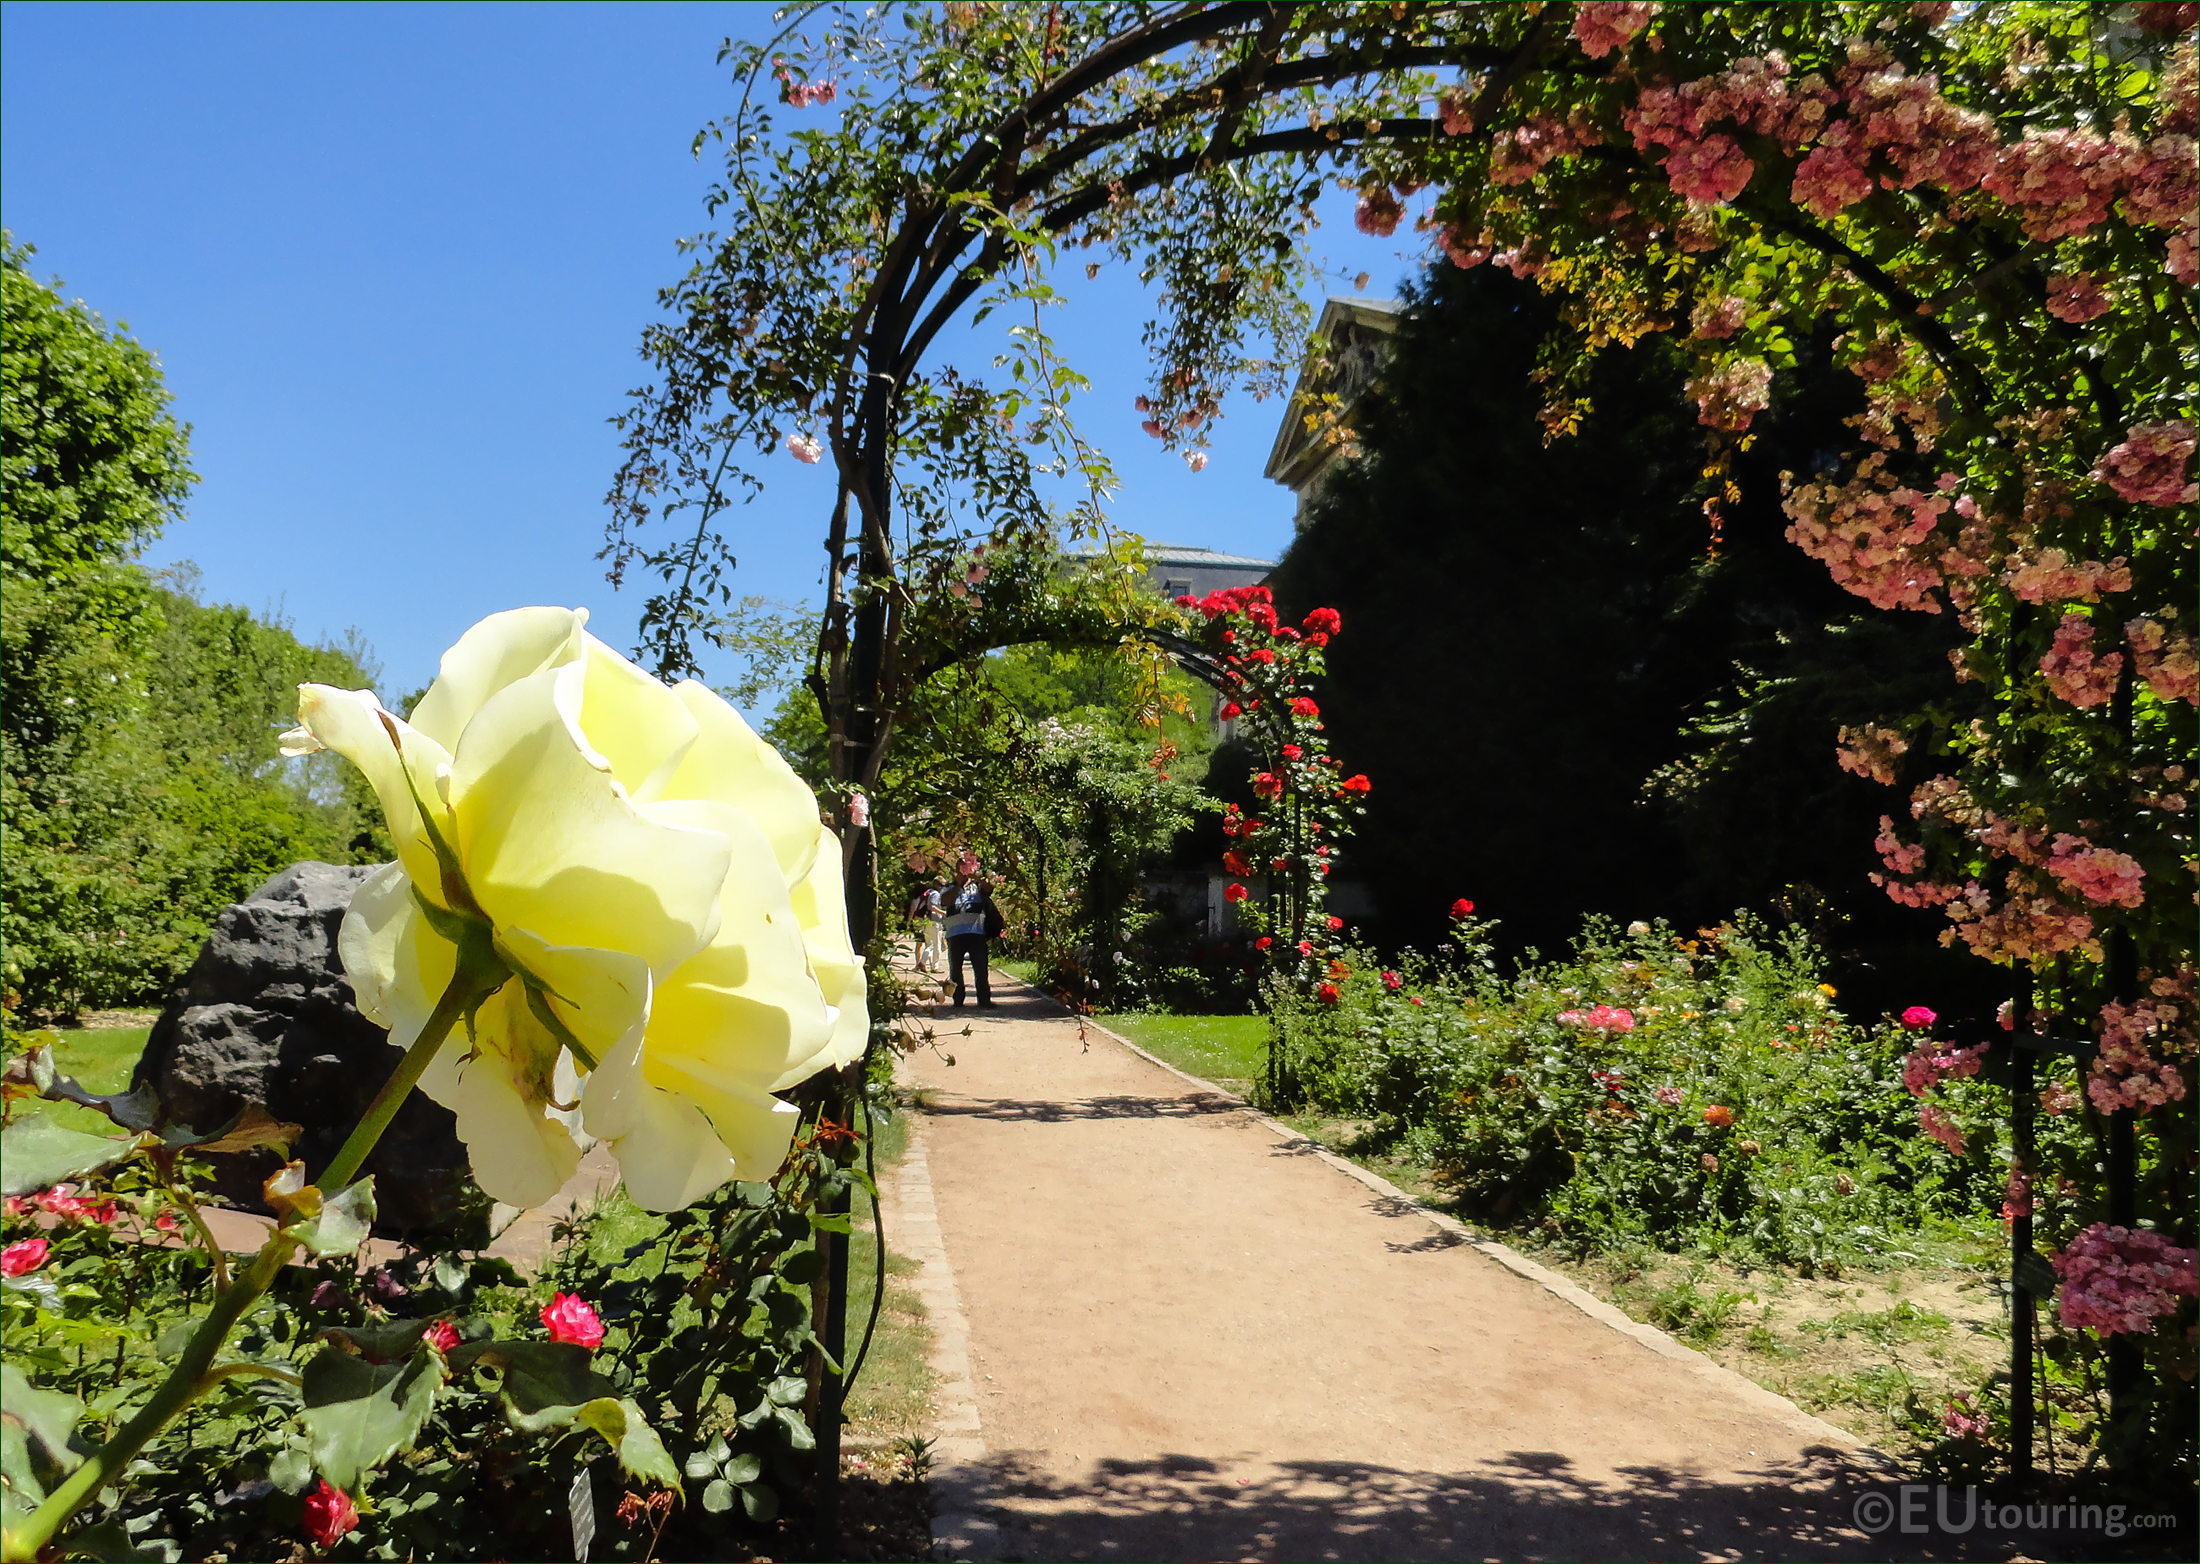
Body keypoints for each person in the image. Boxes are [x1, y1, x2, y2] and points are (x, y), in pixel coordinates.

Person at [938, 852, 999, 1008]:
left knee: (980, 968)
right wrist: (958, 884)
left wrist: (975, 876)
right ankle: (958, 1000)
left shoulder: (977, 887)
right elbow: (945, 902)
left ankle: (984, 1000)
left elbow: (989, 888)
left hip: (976, 933)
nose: (963, 871)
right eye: (961, 867)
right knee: (955, 970)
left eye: (966, 866)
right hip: (955, 934)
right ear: (956, 870)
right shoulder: (949, 888)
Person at [911, 879, 945, 973]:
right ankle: (935, 967)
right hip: (934, 921)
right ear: (937, 885)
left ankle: (922, 962)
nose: (943, 888)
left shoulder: (927, 893)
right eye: (942, 885)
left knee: (929, 945)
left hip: (926, 921)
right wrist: (944, 913)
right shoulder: (936, 894)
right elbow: (932, 907)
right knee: (937, 945)